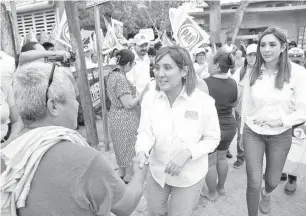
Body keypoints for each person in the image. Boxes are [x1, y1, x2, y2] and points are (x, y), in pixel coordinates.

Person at [0, 62, 148, 216]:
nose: (78, 104)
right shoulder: (85, 160)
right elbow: (125, 206)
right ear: (54, 106)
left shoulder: (9, 154)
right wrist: (140, 173)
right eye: (74, 98)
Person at [135, 46, 220, 216]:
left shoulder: (203, 102)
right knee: (155, 213)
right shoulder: (150, 98)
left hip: (189, 175)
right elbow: (145, 132)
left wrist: (188, 153)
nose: (160, 73)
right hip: (157, 172)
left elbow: (212, 138)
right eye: (157, 67)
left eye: (167, 67)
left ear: (184, 71)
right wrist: (142, 150)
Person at [240, 27, 306, 216]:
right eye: (263, 45)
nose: (266, 49)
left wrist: (282, 121)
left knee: (272, 180)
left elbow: (303, 109)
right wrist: (241, 132)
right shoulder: (253, 72)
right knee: (253, 180)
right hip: (253, 132)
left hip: (280, 135)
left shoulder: (298, 73)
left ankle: (266, 193)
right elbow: (246, 105)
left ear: (284, 47)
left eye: (272, 44)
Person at [200, 50, 238, 201]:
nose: (208, 65)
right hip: (229, 126)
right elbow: (234, 103)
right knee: (222, 158)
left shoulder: (204, 83)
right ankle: (221, 188)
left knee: (210, 162)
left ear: (216, 65)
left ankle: (211, 193)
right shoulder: (233, 82)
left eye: (210, 62)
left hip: (212, 127)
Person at [106, 49, 148, 183]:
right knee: (129, 149)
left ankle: (122, 174)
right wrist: (143, 94)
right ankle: (129, 179)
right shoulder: (121, 79)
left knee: (120, 147)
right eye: (133, 63)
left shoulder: (112, 74)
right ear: (128, 64)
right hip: (125, 119)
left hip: (115, 115)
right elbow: (129, 104)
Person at [281, 47, 306, 195]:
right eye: (293, 60)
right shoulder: (283, 75)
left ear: (303, 60)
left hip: (299, 120)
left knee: (295, 149)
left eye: (298, 60)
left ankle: (292, 178)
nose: (296, 62)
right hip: (283, 118)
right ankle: (281, 171)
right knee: (281, 148)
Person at [231, 44, 257, 169]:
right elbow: (232, 85)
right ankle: (240, 158)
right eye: (250, 55)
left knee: (256, 137)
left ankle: (253, 160)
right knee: (241, 134)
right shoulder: (241, 71)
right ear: (246, 56)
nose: (252, 58)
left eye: (255, 55)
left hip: (257, 111)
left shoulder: (264, 71)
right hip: (241, 110)